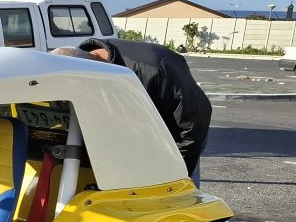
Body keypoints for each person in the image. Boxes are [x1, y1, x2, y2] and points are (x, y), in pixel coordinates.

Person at [51, 39, 210, 178]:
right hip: (132, 142)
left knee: (179, 197)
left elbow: (193, 124)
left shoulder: (156, 68)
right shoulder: (81, 65)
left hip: (175, 140)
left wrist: (178, 173)